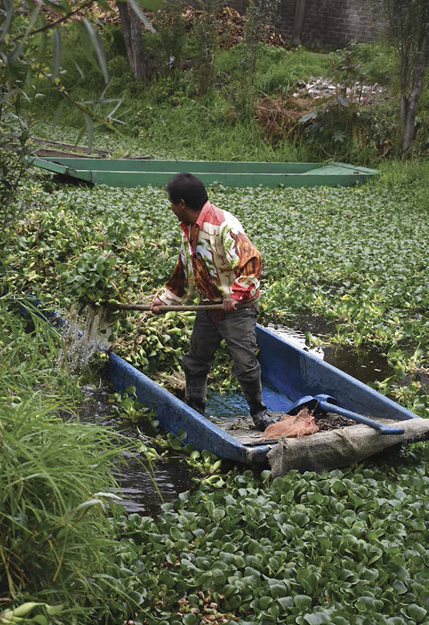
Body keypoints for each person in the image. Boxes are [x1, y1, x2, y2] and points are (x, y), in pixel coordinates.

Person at [150, 173, 274, 431]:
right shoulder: (189, 230)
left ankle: (259, 414)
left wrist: (236, 295)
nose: (171, 208)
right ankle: (195, 409)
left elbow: (251, 262)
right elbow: (183, 273)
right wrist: (164, 301)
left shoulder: (223, 225)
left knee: (245, 364)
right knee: (196, 360)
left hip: (237, 309)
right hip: (209, 306)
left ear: (181, 203)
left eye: (171, 203)